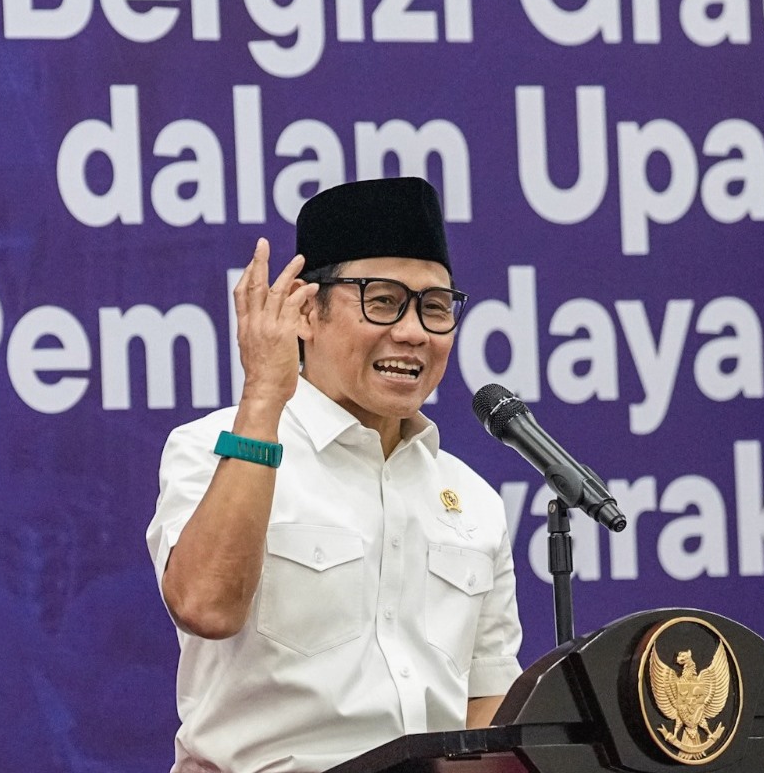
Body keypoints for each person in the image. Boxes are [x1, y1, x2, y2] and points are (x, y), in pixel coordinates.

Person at [146, 177, 523, 773]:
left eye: (434, 308)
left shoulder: (473, 500)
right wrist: (263, 396)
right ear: (305, 311)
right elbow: (206, 607)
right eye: (382, 301)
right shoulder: (215, 448)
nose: (413, 332)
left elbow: (486, 700)